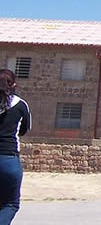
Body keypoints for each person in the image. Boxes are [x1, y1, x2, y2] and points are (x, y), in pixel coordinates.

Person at [0, 69, 31, 225]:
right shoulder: (20, 105)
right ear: (14, 85)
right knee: (10, 204)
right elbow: (24, 130)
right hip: (8, 159)